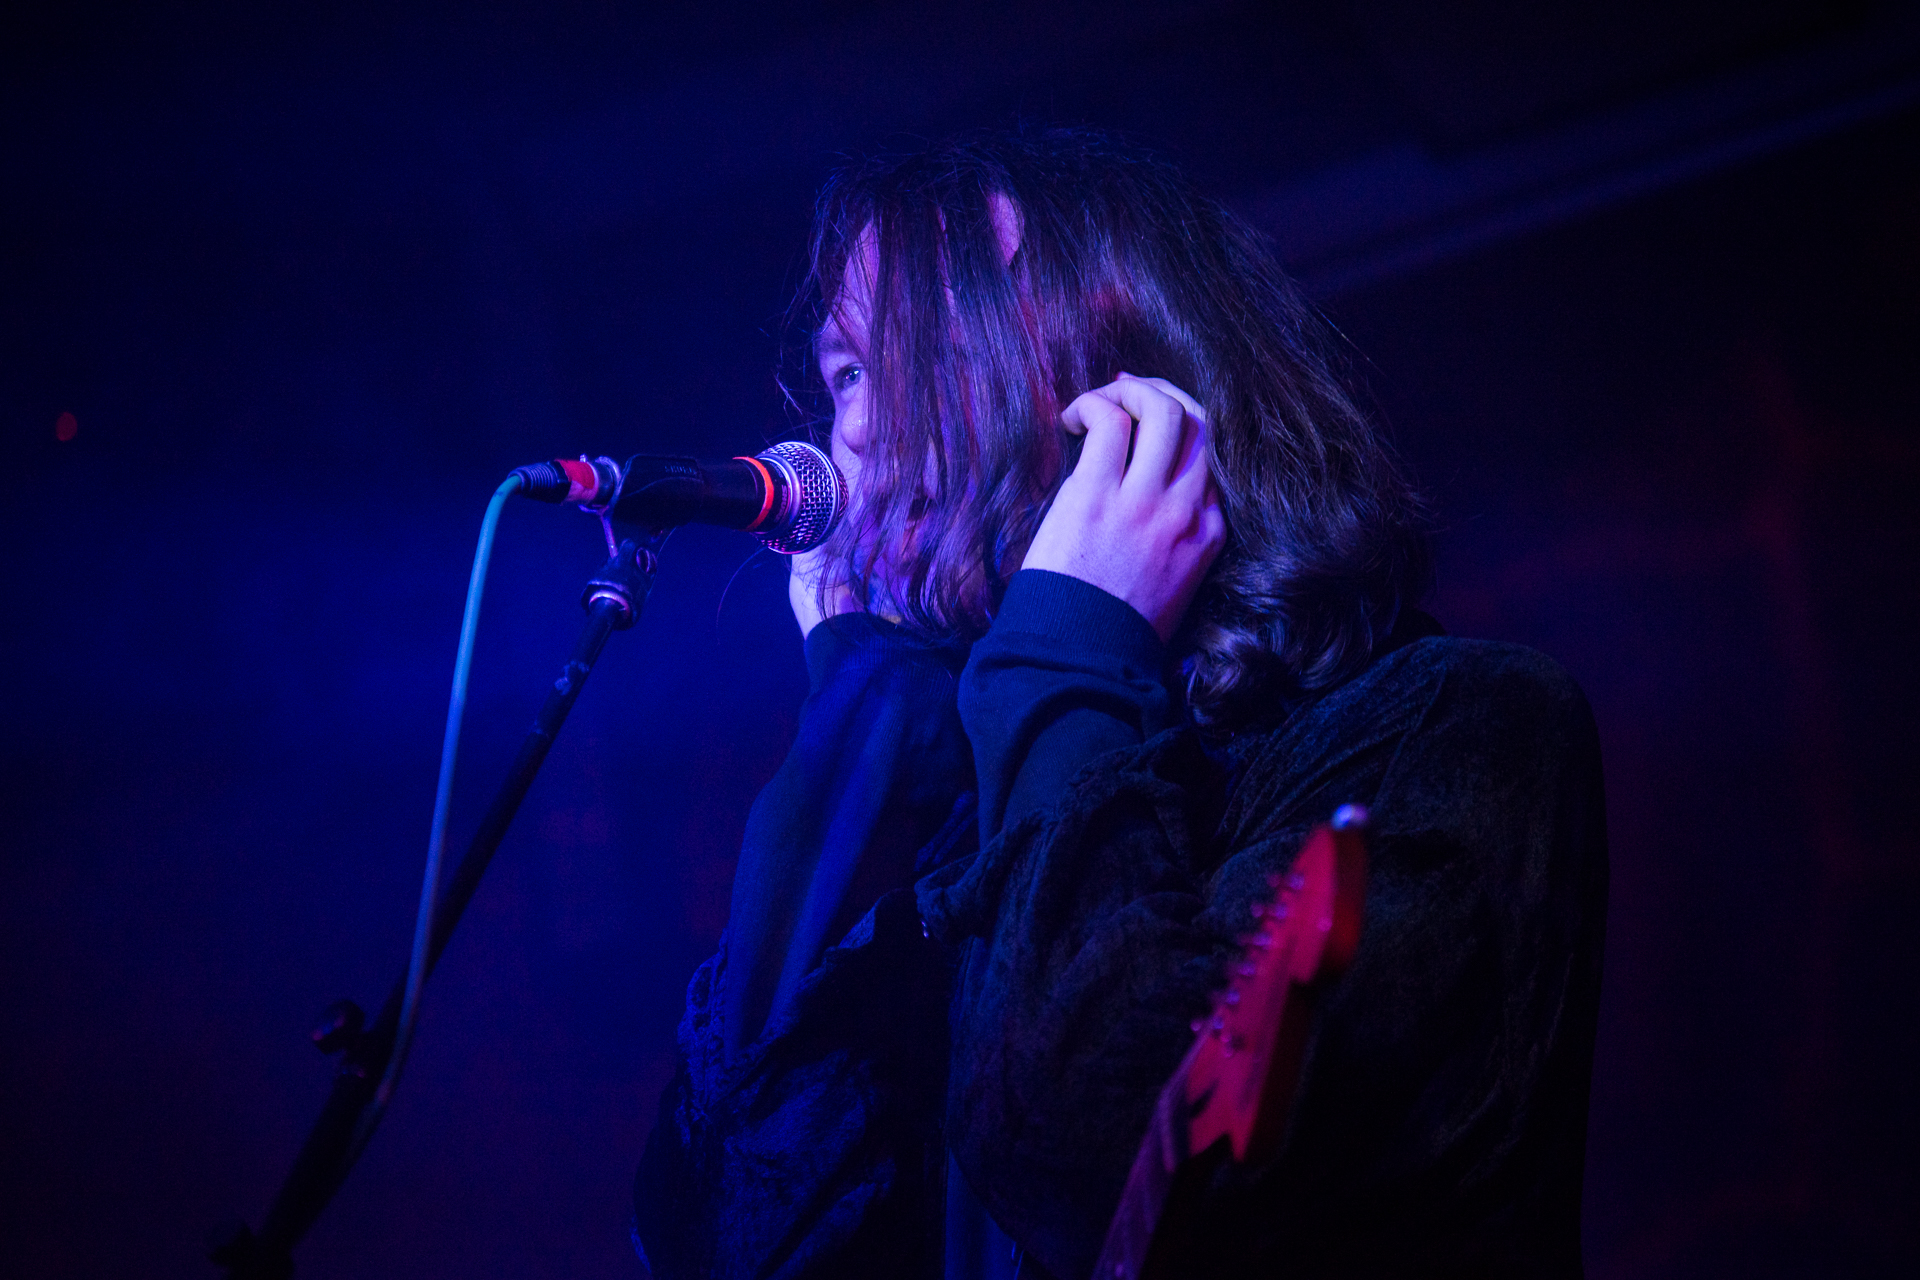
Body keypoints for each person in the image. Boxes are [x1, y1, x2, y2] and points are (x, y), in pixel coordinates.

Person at [633, 128, 1607, 1280]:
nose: (853, 427)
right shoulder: (953, 844)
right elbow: (723, 1243)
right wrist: (867, 716)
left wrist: (1068, 654)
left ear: (1123, 378)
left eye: (920, 346)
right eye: (846, 371)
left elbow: (1093, 1155)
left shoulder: (1451, 730)